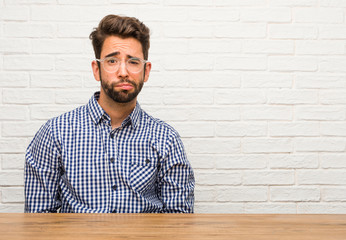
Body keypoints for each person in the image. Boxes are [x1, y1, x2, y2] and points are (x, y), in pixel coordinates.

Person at [24, 14, 195, 213]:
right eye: (112, 61)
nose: (123, 71)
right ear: (97, 69)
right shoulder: (55, 133)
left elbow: (178, 219)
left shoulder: (166, 138)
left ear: (146, 71)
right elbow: (39, 220)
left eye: (133, 62)